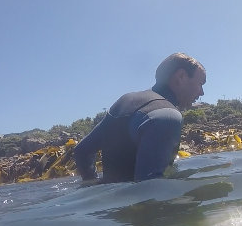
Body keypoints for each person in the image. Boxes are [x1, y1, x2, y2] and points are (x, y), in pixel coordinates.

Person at [74, 53, 206, 183]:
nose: (202, 92)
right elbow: (149, 189)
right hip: (135, 202)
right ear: (181, 77)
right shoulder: (168, 116)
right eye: (200, 84)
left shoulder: (125, 100)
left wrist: (93, 187)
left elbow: (82, 151)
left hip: (112, 201)